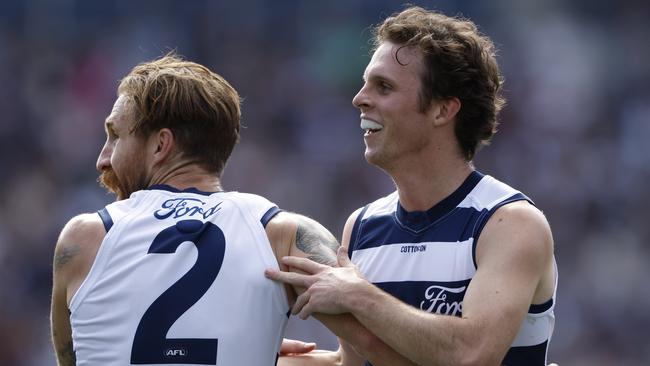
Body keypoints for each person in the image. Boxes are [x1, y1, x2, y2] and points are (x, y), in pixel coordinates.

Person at [268, 6, 557, 366]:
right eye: (365, 83)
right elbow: (355, 363)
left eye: (383, 86)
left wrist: (360, 296)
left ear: (442, 110)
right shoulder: (362, 226)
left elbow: (472, 355)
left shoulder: (509, 223)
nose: (359, 98)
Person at [49, 53, 361, 365]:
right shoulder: (283, 234)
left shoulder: (83, 239)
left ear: (160, 146)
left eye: (116, 137)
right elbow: (364, 352)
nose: (103, 158)